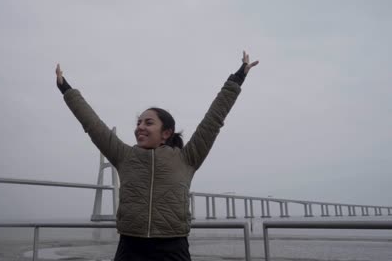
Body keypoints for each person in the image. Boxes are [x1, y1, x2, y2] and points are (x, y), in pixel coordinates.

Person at [55, 51, 259, 261]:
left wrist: (237, 79)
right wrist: (66, 89)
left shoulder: (187, 158)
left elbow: (214, 119)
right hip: (130, 247)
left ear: (166, 133)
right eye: (138, 123)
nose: (140, 127)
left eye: (148, 123)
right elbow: (92, 124)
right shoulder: (124, 156)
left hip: (172, 247)